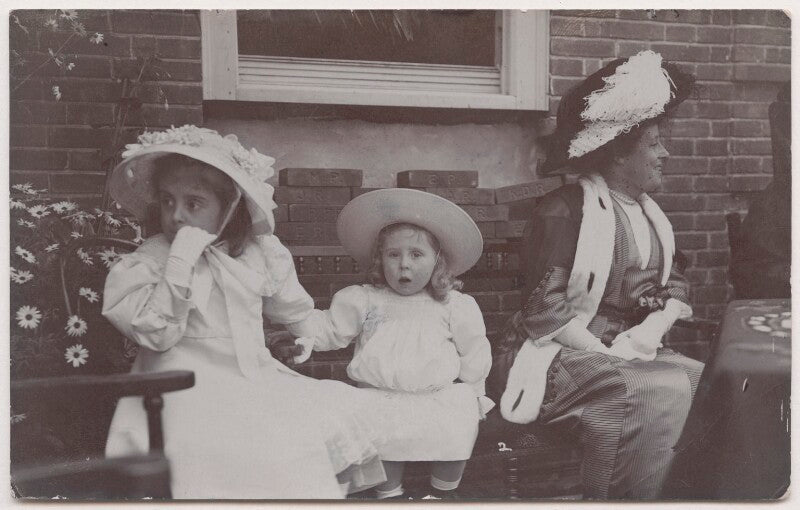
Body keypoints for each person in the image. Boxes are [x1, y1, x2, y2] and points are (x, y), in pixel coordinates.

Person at [101, 125, 386, 499]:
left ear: (229, 205)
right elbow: (157, 332)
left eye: (194, 203)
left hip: (252, 379)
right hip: (180, 388)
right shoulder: (151, 261)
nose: (177, 216)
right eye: (168, 201)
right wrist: (181, 259)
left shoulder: (258, 253)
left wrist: (302, 339)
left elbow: (297, 314)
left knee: (321, 419)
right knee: (244, 447)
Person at [489, 51, 705, 499]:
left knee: (705, 379)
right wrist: (607, 353)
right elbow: (542, 310)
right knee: (646, 387)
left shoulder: (651, 217)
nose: (665, 153)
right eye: (653, 143)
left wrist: (653, 328)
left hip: (631, 349)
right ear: (618, 154)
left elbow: (674, 283)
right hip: (556, 354)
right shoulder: (567, 210)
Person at [292, 189, 494, 499]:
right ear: (379, 259)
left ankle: (442, 493)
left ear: (437, 261)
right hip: (382, 397)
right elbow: (331, 329)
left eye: (416, 254)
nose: (403, 265)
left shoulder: (453, 305)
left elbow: (473, 349)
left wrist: (475, 390)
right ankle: (390, 495)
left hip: (436, 397)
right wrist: (299, 325)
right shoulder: (366, 299)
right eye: (393, 254)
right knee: (378, 431)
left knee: (459, 417)